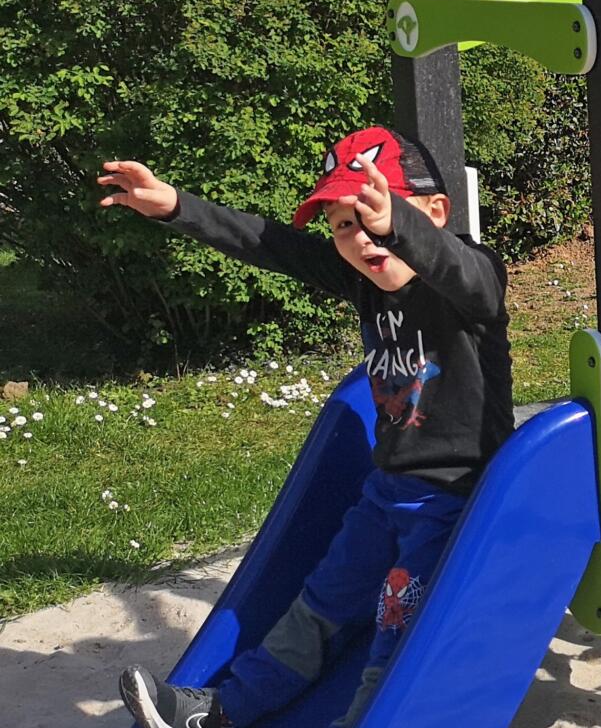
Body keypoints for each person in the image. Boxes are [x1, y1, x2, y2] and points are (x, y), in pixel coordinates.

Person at [99, 127, 514, 727]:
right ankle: (220, 713)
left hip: (453, 504)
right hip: (386, 491)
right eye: (344, 224)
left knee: (397, 629)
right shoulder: (362, 282)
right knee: (317, 608)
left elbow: (460, 269)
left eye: (375, 215)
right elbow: (270, 243)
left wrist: (398, 224)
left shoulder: (470, 283)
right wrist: (174, 205)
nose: (362, 237)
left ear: (433, 214)